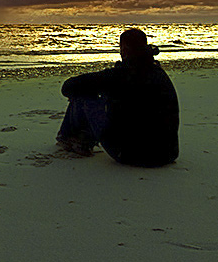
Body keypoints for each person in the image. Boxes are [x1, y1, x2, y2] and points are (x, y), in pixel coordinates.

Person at [56, 28, 179, 167]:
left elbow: (68, 87)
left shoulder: (121, 75)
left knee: (84, 96)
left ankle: (68, 138)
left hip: (131, 155)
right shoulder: (158, 73)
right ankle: (81, 137)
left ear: (124, 49)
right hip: (167, 153)